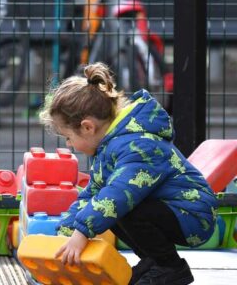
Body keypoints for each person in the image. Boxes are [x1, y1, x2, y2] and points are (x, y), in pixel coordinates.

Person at [39, 62, 217, 285]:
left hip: (191, 215)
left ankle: (169, 266)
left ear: (87, 127)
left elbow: (117, 195)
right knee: (106, 207)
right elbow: (91, 195)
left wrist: (82, 233)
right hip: (169, 211)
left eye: (68, 137)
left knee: (119, 207)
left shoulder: (139, 145)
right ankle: (154, 262)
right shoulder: (109, 148)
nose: (70, 144)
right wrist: (66, 232)